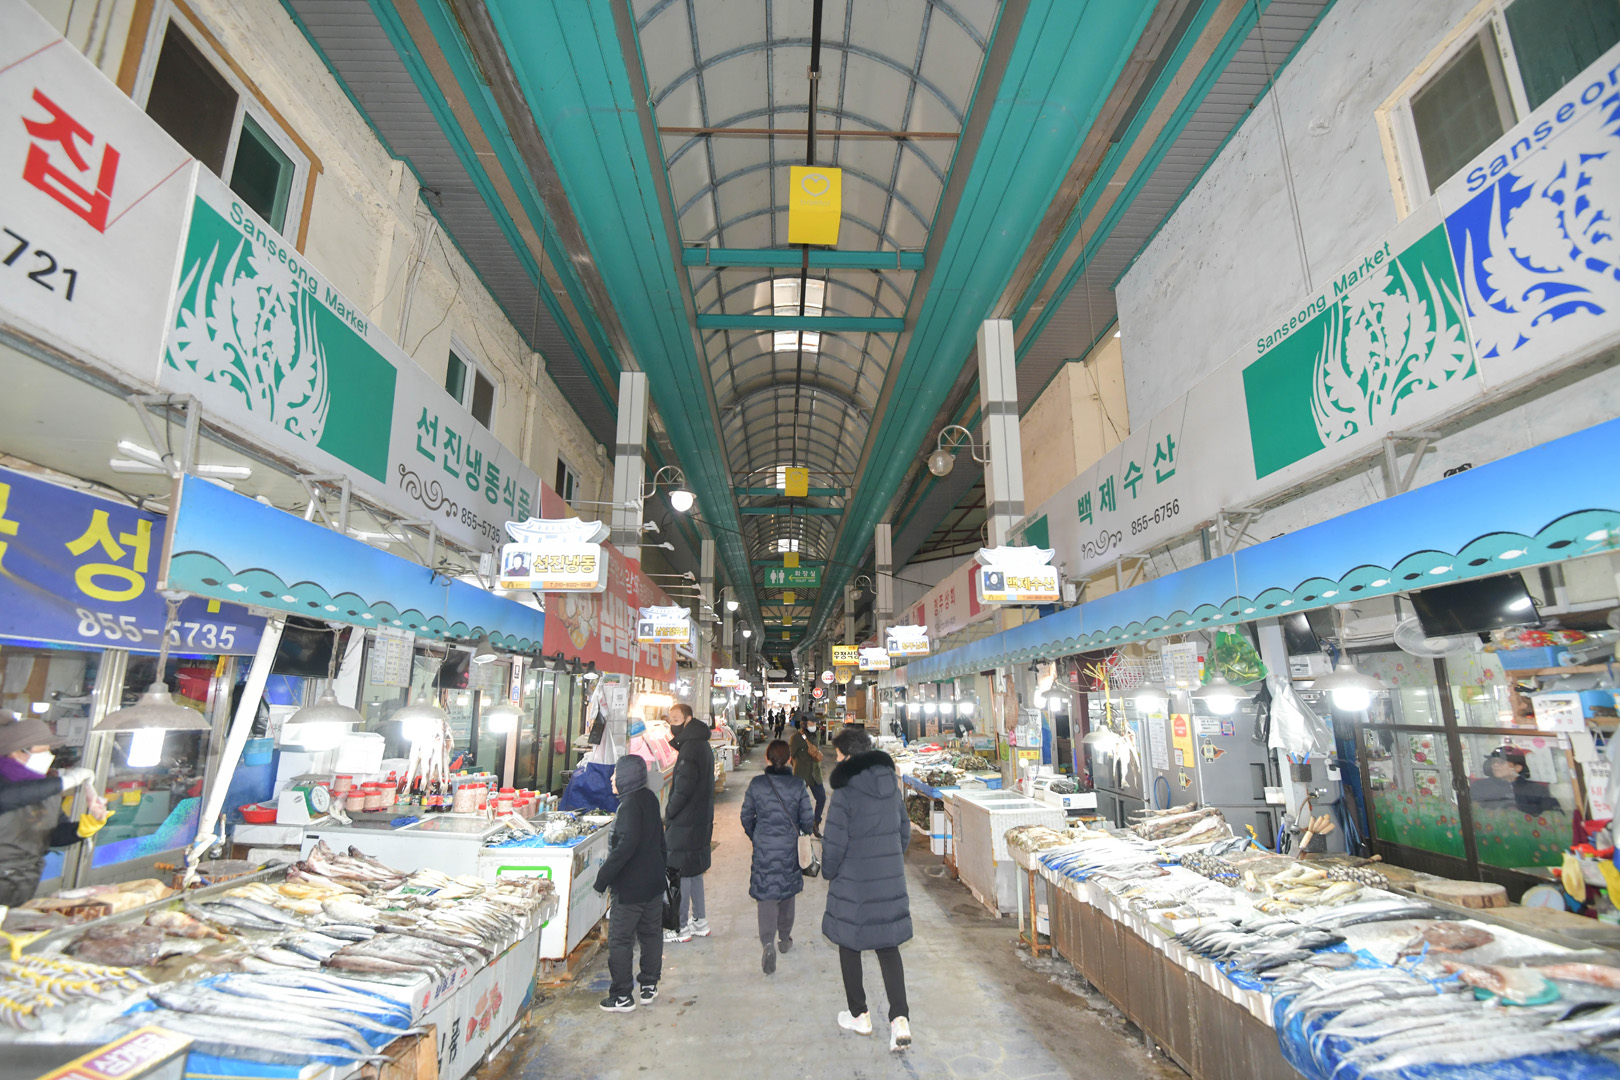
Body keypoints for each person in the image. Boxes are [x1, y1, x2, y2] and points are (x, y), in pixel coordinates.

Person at [822, 725, 912, 1053]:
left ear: (848, 755)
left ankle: (859, 1015)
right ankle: (900, 1019)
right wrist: (889, 860)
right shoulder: (891, 784)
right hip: (888, 878)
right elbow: (904, 831)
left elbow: (834, 842)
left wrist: (829, 871)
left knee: (850, 943)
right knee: (888, 947)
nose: (836, 760)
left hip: (854, 882)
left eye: (838, 755)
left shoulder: (845, 791)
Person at [0, 715, 103, 905]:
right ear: (16, 752)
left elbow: (53, 834)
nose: (48, 756)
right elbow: (7, 798)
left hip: (21, 885)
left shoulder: (47, 789)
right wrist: (67, 781)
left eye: (49, 750)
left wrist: (81, 829)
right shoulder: (12, 786)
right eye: (42, 751)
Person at [592, 754, 666, 1012]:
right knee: (651, 934)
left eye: (616, 773)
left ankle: (622, 995)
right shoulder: (649, 798)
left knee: (621, 941)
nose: (612, 778)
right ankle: (649, 985)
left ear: (627, 777)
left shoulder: (629, 806)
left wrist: (602, 879)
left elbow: (624, 848)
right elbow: (660, 841)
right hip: (653, 884)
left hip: (631, 889)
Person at [739, 739, 814, 976]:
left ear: (767, 759)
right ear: (790, 759)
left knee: (766, 894)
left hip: (764, 846)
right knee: (787, 892)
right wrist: (802, 834)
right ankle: (784, 939)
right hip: (789, 846)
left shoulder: (757, 784)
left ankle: (767, 943)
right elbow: (808, 818)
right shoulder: (798, 784)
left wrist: (757, 835)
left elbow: (746, 815)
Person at [663, 703, 715, 942]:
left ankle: (680, 927)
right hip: (699, 819)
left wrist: (669, 813)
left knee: (680, 871)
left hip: (686, 821)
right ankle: (700, 921)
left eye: (676, 719)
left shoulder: (690, 748)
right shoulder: (701, 744)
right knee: (694, 871)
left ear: (688, 719)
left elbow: (682, 789)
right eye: (670, 719)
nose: (672, 724)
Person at [1470, 746, 1564, 817]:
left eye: (1501, 762)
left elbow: (1555, 816)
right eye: (1493, 762)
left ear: (1518, 768)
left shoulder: (1536, 789)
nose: (1495, 765)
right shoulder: (1480, 787)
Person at [789, 711, 826, 836]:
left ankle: (816, 823)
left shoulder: (817, 734)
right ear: (804, 724)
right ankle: (798, 826)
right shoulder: (796, 738)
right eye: (811, 723)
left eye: (815, 723)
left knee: (821, 798)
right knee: (799, 802)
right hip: (802, 774)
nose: (814, 725)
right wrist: (797, 766)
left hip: (815, 774)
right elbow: (791, 756)